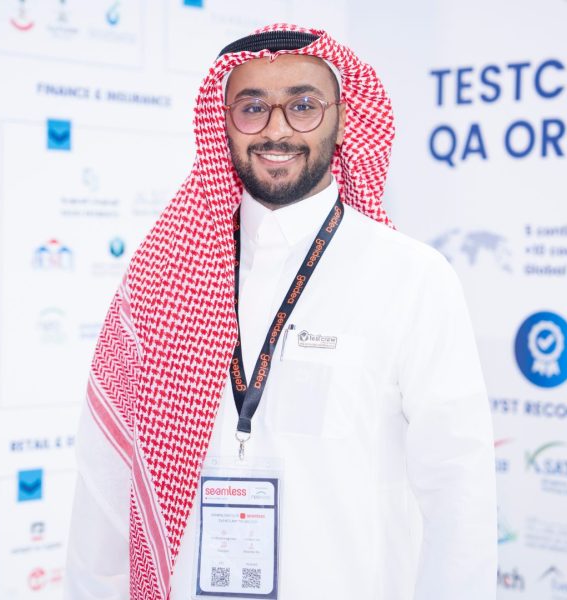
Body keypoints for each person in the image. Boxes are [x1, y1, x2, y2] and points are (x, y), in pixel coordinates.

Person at [65, 24, 497, 600]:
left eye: (303, 106)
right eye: (252, 108)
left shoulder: (411, 276)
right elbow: (105, 485)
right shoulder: (160, 275)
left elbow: (459, 493)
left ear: (343, 120)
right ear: (222, 123)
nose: (276, 129)